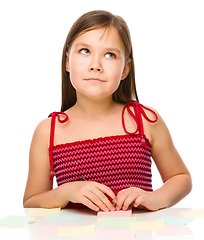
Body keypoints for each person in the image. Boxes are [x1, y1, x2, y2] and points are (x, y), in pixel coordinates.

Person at [23, 10, 192, 212]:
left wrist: (157, 198)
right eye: (85, 51)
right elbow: (31, 202)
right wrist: (65, 192)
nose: (96, 65)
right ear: (67, 61)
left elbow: (181, 178)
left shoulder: (145, 120)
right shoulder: (48, 131)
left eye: (110, 55)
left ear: (126, 69)